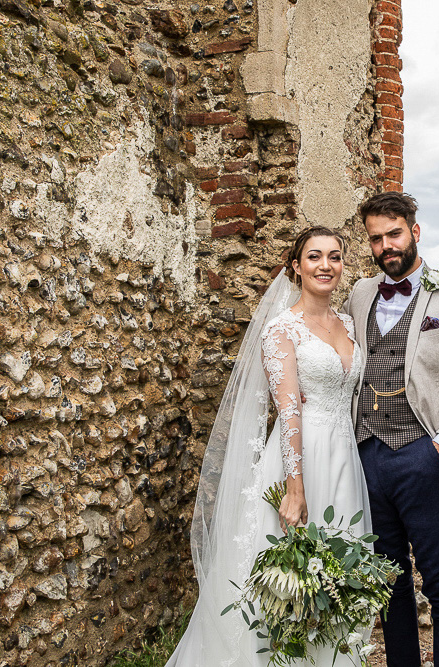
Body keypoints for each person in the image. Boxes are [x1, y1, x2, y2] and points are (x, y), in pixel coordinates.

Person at [166, 226, 371, 666]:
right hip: (299, 459)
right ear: (296, 267)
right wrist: (294, 489)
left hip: (343, 459)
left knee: (335, 573)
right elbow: (289, 412)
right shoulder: (281, 330)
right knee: (289, 578)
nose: (326, 266)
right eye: (314, 257)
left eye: (335, 257)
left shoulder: (349, 324)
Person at [342, 192, 439, 667]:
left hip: (425, 458)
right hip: (367, 455)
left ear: (415, 230)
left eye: (394, 233)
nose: (386, 246)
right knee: (389, 582)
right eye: (376, 239)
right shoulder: (359, 294)